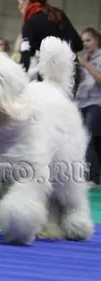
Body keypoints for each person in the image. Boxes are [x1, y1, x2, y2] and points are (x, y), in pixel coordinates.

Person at [19, 0, 83, 94]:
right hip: (71, 71)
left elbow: (25, 58)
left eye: (19, 4)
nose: (19, 8)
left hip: (50, 73)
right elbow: (78, 45)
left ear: (27, 2)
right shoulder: (58, 15)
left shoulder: (29, 24)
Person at [76, 27, 101, 189]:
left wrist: (85, 65)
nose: (85, 44)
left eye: (88, 40)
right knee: (82, 140)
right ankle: (86, 174)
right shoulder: (85, 58)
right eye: (83, 41)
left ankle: (94, 177)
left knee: (89, 138)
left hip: (96, 103)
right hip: (81, 103)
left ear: (97, 40)